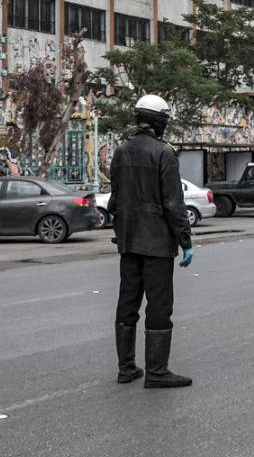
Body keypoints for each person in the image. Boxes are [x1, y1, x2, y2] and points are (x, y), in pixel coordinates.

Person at [108, 95, 194, 388]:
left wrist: (121, 233)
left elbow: (115, 200)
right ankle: (157, 371)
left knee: (127, 303)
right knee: (159, 306)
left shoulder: (120, 151)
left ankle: (126, 368)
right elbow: (173, 203)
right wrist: (185, 240)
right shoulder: (164, 153)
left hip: (128, 243)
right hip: (156, 245)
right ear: (159, 121)